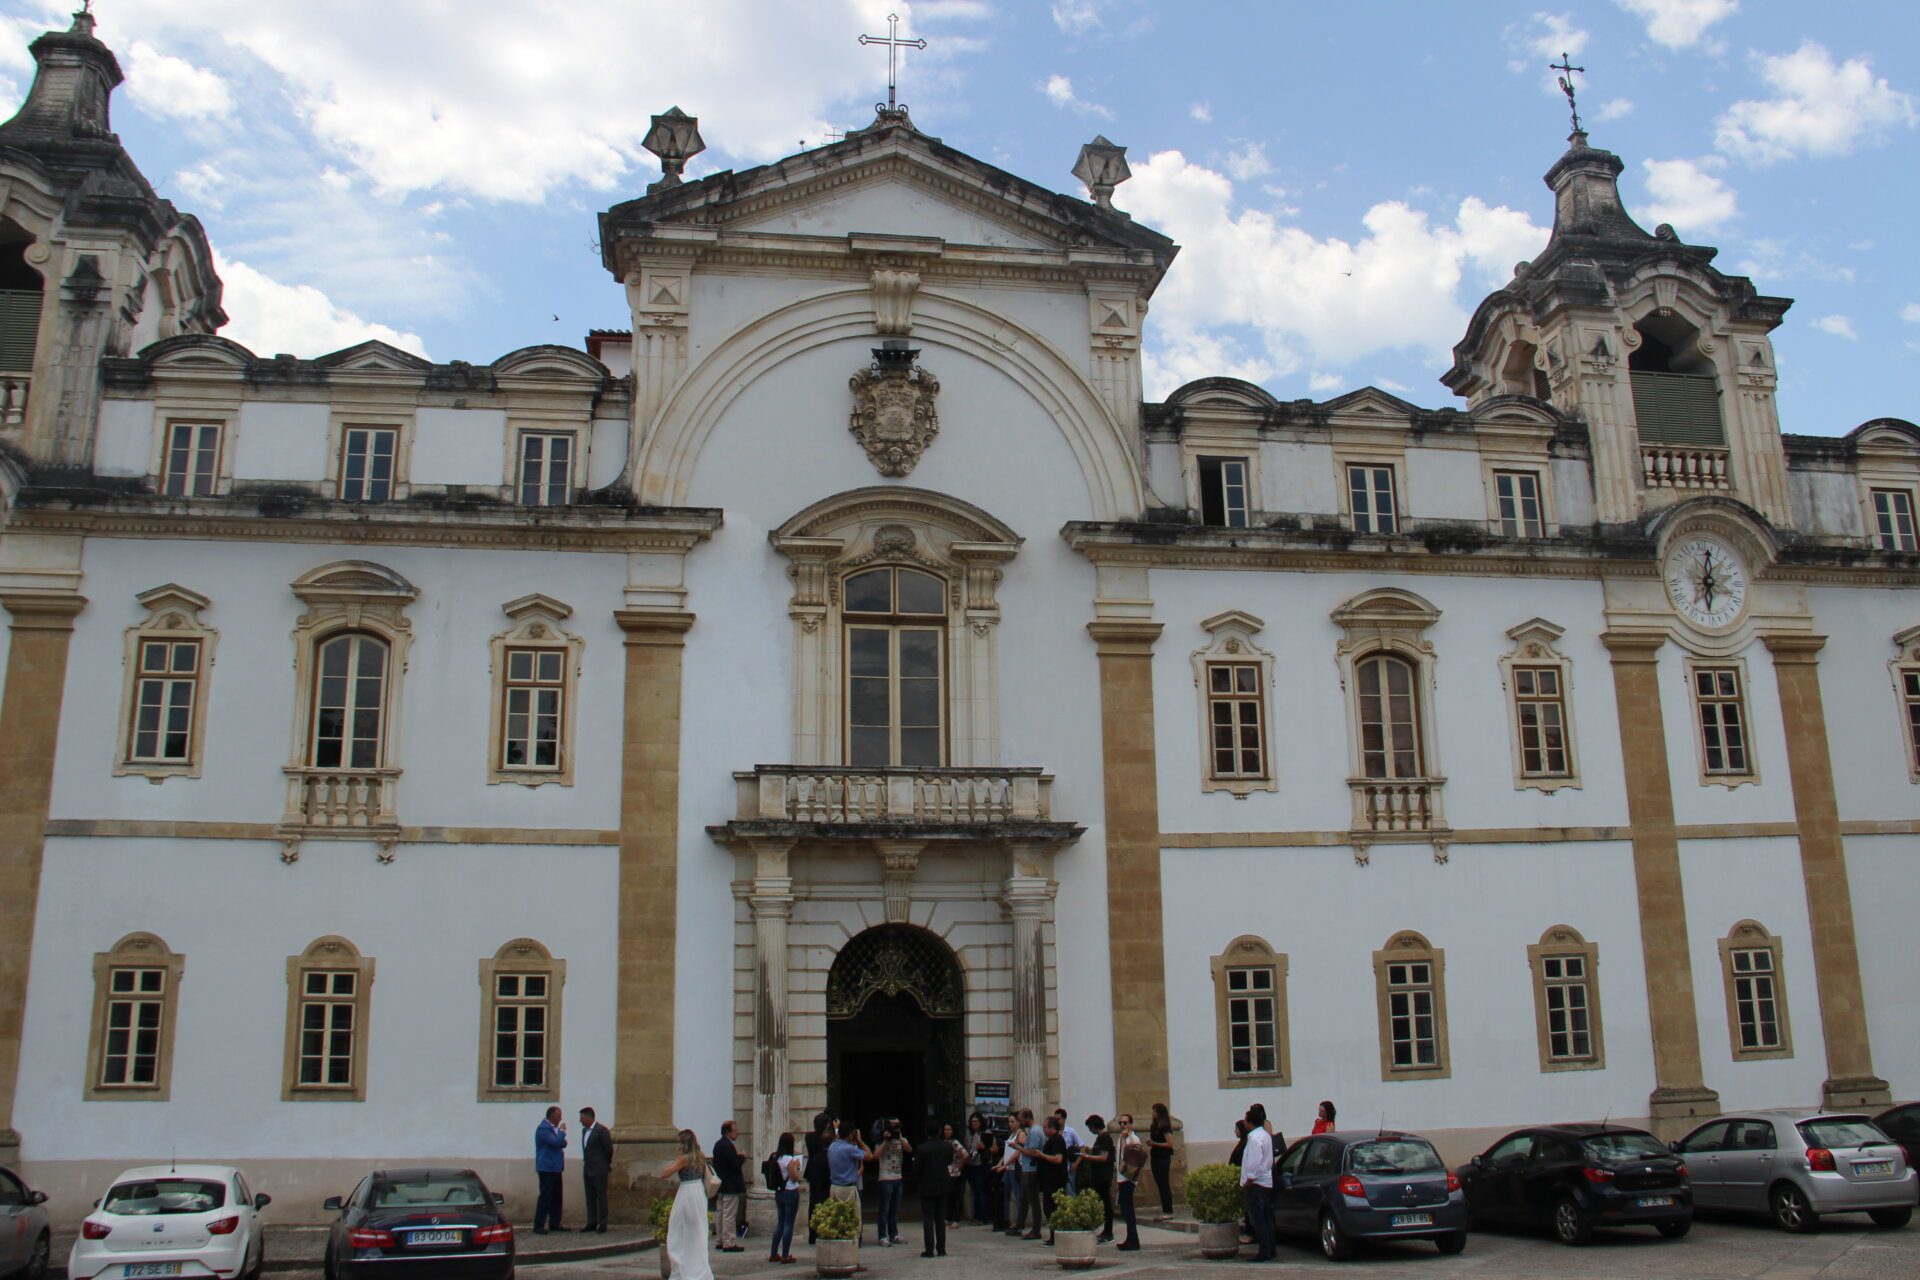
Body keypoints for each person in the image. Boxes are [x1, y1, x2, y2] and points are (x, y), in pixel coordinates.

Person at [659, 1130, 715, 1280]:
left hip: (687, 1193)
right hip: (699, 1193)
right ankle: (700, 1267)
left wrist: (673, 1162)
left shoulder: (684, 1159)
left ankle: (684, 1268)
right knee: (698, 1231)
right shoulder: (700, 1157)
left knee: (678, 1231)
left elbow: (665, 1173)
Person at [1240, 1104, 1276, 1263]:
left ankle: (1265, 1251)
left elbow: (1254, 1162)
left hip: (1257, 1183)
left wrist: (1250, 1178)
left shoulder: (1254, 1138)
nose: (1244, 1123)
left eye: (1245, 1120)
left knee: (1259, 1219)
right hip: (1266, 1181)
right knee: (1267, 1218)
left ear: (1251, 1122)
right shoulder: (1265, 1135)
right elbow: (1268, 1160)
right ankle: (1271, 1249)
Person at [914, 1122, 953, 1257]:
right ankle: (941, 1248)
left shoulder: (921, 1148)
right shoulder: (947, 1147)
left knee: (928, 1220)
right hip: (942, 1185)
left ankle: (929, 1249)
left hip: (927, 1186)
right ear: (939, 1132)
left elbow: (917, 1169)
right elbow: (949, 1161)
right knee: (940, 1219)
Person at [1077, 1115, 1114, 1243]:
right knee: (1103, 1203)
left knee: (1106, 1204)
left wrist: (1087, 1157)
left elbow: (1104, 1157)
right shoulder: (1101, 1137)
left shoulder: (1104, 1138)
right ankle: (1106, 1230)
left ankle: (1109, 1232)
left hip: (1103, 1175)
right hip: (1099, 1175)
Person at [1008, 1109, 1045, 1238]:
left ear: (1027, 1118)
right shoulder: (1034, 1130)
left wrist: (1017, 1147)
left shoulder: (1034, 1131)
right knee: (1024, 1199)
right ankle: (1019, 1224)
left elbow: (1033, 1152)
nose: (1020, 1122)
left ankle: (1036, 1230)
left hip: (1031, 1170)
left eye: (1021, 1119)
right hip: (1027, 1169)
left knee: (1033, 1200)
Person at [711, 1120, 746, 1252]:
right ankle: (729, 1242)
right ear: (728, 1132)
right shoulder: (728, 1146)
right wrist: (742, 1157)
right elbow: (734, 1164)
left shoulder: (718, 1145)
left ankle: (720, 1239)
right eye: (735, 1131)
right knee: (729, 1214)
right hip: (730, 1185)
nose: (737, 1133)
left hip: (721, 1184)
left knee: (720, 1213)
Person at [533, 1106, 568, 1235]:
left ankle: (555, 1222)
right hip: (546, 1167)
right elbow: (555, 1142)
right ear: (552, 1115)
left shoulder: (552, 1129)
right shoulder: (543, 1128)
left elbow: (563, 1143)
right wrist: (562, 1132)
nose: (560, 1119)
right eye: (559, 1116)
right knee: (545, 1196)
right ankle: (539, 1224)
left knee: (557, 1197)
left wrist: (560, 1139)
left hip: (555, 1167)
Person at [769, 1132, 803, 1264]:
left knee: (780, 1223)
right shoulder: (790, 1160)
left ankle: (773, 1253)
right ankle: (785, 1255)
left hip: (780, 1192)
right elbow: (794, 1177)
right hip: (791, 1191)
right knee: (789, 1224)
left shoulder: (776, 1157)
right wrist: (796, 1168)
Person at [578, 1106, 612, 1233]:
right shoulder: (584, 1131)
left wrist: (604, 1163)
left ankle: (603, 1223)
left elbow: (608, 1149)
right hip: (587, 1167)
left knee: (601, 1196)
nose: (580, 1120)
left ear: (588, 1117)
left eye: (582, 1118)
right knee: (590, 1196)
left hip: (599, 1168)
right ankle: (591, 1221)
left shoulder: (601, 1130)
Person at [875, 1117, 908, 1246]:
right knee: (884, 1209)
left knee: (895, 1209)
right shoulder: (882, 1139)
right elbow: (875, 1155)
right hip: (885, 1178)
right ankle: (883, 1235)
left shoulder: (900, 1138)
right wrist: (885, 1140)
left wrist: (899, 1138)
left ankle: (894, 1234)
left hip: (898, 1177)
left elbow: (909, 1149)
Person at [1114, 1114, 1145, 1251]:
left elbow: (1133, 1156)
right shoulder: (1121, 1138)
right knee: (1125, 1209)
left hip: (1128, 1177)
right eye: (1120, 1123)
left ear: (1131, 1124)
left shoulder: (1133, 1138)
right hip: (1121, 1177)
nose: (1122, 1125)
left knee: (1127, 1209)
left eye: (1125, 1123)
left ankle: (1133, 1240)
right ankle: (1131, 1238)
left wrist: (1125, 1138)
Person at [1037, 1116, 1069, 1246]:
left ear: (1052, 1128)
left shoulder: (1057, 1141)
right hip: (1049, 1180)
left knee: (1052, 1208)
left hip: (1056, 1180)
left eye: (1045, 1127)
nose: (1043, 1130)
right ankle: (1053, 1236)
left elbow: (1058, 1159)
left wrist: (1041, 1155)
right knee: (1049, 1208)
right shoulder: (1051, 1140)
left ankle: (1056, 1237)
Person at [804, 1112, 834, 1245]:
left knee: (813, 1201)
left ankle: (813, 1232)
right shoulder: (827, 1137)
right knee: (825, 1199)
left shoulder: (809, 1136)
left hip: (813, 1169)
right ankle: (824, 1230)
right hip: (824, 1169)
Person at [1147, 1103, 1179, 1220]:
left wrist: (1154, 1144)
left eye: (1154, 1111)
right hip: (1155, 1156)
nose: (1152, 1113)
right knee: (1160, 1184)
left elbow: (1170, 1144)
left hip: (1163, 1158)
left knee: (1164, 1184)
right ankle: (1165, 1208)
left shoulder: (1164, 1126)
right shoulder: (1154, 1126)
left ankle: (1168, 1210)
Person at [962, 1114, 990, 1226]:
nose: (974, 1123)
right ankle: (976, 1215)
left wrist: (983, 1148)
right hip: (969, 1165)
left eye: (976, 1121)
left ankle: (982, 1217)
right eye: (972, 1121)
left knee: (981, 1191)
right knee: (975, 1191)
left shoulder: (985, 1133)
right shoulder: (969, 1134)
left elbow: (993, 1148)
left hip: (980, 1165)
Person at [941, 1122, 967, 1225]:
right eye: (945, 1130)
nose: (946, 1132)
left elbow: (965, 1154)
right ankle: (948, 1217)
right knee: (948, 1196)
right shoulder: (943, 1142)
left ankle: (956, 1219)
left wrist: (960, 1165)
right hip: (946, 1172)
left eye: (949, 1130)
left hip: (955, 1173)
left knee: (956, 1196)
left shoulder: (955, 1142)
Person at [1054, 1109, 1084, 1194]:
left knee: (1070, 1187)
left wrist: (1076, 1163)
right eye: (1055, 1119)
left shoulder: (1071, 1132)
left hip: (1068, 1163)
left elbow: (1082, 1147)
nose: (1057, 1121)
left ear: (1064, 1119)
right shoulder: (1054, 1132)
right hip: (1057, 1163)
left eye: (1058, 1119)